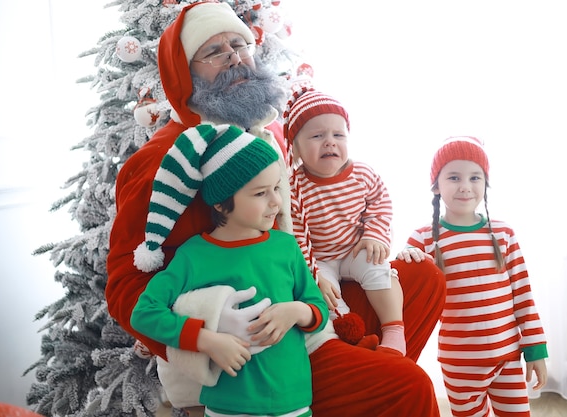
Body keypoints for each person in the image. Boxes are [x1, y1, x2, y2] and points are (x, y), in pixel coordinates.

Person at [105, 2, 447, 416]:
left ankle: (357, 383)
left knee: (422, 277)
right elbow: (126, 289)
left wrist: (367, 243)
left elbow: (320, 209)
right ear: (185, 73)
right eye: (213, 52)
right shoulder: (162, 161)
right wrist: (204, 331)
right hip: (253, 346)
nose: (234, 57)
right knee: (408, 385)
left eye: (239, 44)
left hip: (299, 307)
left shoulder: (269, 137)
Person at [130, 124, 329, 416]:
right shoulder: (194, 255)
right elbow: (144, 313)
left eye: (277, 188)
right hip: (229, 407)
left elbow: (318, 308)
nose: (276, 201)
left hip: (294, 403)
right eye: (260, 193)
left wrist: (297, 312)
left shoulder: (285, 246)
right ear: (222, 204)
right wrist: (206, 340)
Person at [405, 136, 548, 416]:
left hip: (508, 358)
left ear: (486, 183)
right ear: (436, 185)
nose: (465, 187)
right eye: (454, 177)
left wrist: (536, 349)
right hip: (459, 363)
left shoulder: (504, 234)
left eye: (475, 177)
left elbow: (523, 296)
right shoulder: (422, 239)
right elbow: (404, 286)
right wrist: (405, 257)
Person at [284, 88, 405, 354]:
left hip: (354, 249)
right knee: (323, 296)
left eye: (338, 135)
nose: (330, 142)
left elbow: (380, 205)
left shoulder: (362, 174)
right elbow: (297, 238)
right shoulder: (293, 187)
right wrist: (314, 274)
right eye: (317, 136)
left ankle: (394, 330)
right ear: (295, 147)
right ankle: (350, 335)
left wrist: (373, 235)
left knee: (379, 270)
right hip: (321, 259)